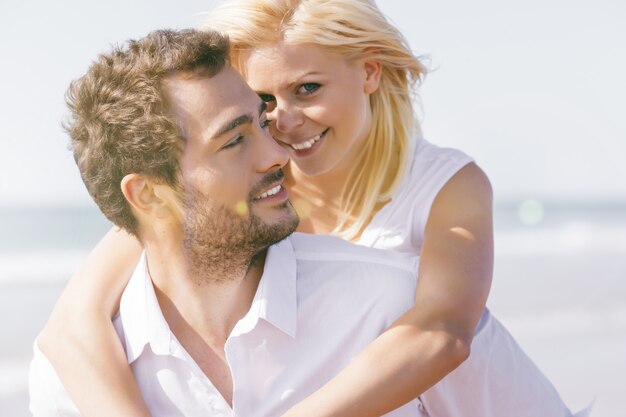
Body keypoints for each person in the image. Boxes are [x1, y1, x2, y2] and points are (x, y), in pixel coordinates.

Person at [37, 1, 591, 416]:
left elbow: (443, 334)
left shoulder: (443, 187)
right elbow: (72, 326)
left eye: (307, 88)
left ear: (370, 72)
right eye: (262, 105)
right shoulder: (249, 189)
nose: (283, 125)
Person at [29, 28, 427, 417]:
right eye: (234, 141)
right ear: (148, 195)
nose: (278, 155)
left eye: (263, 123)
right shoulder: (67, 383)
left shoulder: (393, 305)